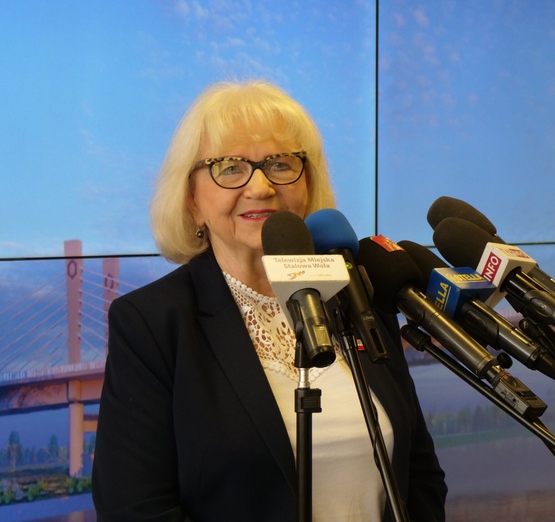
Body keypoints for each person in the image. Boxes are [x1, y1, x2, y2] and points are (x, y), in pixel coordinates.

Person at [91, 80, 447, 521]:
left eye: (280, 164)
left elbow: (419, 475)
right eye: (229, 167)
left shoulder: (356, 294)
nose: (260, 187)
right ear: (192, 200)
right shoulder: (152, 324)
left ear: (308, 182)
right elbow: (134, 510)